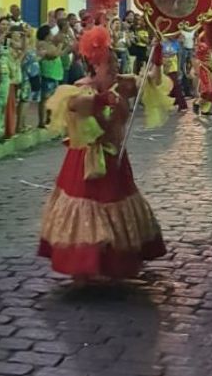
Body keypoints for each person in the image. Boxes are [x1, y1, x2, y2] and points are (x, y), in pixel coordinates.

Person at [38, 26, 170, 281]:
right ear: (94, 65)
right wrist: (101, 101)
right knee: (87, 209)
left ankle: (112, 264)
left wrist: (157, 55)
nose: (114, 65)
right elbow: (73, 106)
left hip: (114, 159)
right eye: (107, 62)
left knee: (116, 203)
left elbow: (153, 82)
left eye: (114, 60)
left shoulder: (125, 84)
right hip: (85, 161)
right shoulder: (81, 87)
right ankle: (86, 264)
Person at [36, 24, 66, 127]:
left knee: (52, 98)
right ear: (46, 35)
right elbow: (53, 55)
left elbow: (60, 53)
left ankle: (49, 119)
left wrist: (69, 47)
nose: (52, 35)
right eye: (51, 33)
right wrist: (60, 44)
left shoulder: (50, 44)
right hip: (48, 73)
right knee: (45, 98)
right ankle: (41, 121)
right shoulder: (42, 44)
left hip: (55, 74)